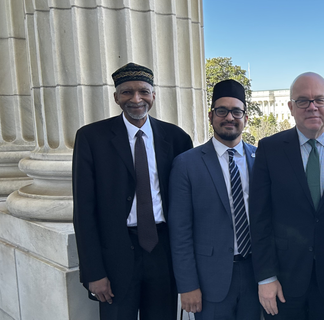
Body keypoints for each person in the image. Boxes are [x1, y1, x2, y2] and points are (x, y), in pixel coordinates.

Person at [72, 62, 193, 320]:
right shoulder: (91, 139)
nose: (136, 99)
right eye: (127, 92)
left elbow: (187, 207)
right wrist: (94, 272)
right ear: (116, 97)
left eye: (143, 92)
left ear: (153, 95)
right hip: (115, 258)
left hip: (163, 255)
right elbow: (84, 211)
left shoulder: (177, 139)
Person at [250, 72, 324, 319]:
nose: (312, 107)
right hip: (282, 281)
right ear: (291, 107)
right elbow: (259, 219)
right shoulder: (270, 149)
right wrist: (266, 277)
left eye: (319, 100)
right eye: (303, 101)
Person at [168, 79, 260, 319]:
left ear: (245, 118)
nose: (229, 117)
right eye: (222, 110)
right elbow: (180, 232)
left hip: (255, 275)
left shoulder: (260, 160)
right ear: (211, 116)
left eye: (236, 111)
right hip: (210, 281)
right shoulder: (187, 164)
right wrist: (187, 285)